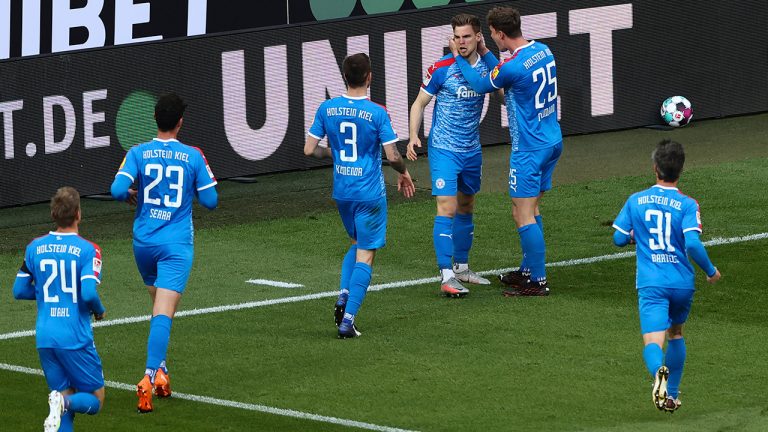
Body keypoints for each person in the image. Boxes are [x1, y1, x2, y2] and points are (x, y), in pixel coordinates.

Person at [111, 93, 218, 413]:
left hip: (143, 244)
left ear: (155, 120)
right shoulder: (193, 155)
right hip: (175, 246)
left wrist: (134, 192)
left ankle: (162, 373)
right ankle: (147, 376)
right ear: (180, 122)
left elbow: (117, 190)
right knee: (163, 313)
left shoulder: (138, 152)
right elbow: (211, 201)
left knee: (159, 307)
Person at [450, 6, 562, 296]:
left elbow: (478, 83)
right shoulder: (543, 50)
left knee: (522, 214)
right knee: (530, 208)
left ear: (500, 33)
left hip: (529, 148)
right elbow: (503, 73)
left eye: (491, 34)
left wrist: (456, 56)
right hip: (550, 141)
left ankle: (537, 280)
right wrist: (488, 52)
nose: (491, 38)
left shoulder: (512, 66)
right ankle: (527, 271)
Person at [305, 53, 415, 338]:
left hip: (342, 191)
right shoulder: (377, 112)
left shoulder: (327, 108)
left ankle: (343, 294)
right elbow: (392, 155)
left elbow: (309, 150)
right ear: (369, 77)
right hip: (369, 193)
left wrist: (337, 153)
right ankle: (348, 320)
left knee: (356, 243)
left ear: (344, 76)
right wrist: (403, 172)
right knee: (367, 253)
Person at [612, 139, 721, 412]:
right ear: (680, 170)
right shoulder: (687, 204)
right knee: (676, 333)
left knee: (653, 341)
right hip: (682, 283)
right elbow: (693, 244)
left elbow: (618, 238)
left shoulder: (636, 200)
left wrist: (635, 237)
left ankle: (658, 375)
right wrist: (710, 271)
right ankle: (671, 395)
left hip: (652, 283)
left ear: (655, 168)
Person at [407, 13, 499, 297]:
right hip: (444, 149)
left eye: (467, 36)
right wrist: (413, 135)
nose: (461, 42)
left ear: (478, 37)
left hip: (471, 150)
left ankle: (461, 267)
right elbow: (419, 103)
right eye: (457, 37)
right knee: (446, 207)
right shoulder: (441, 68)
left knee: (467, 205)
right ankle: (446, 274)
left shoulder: (487, 68)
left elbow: (505, 97)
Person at [13, 187, 106, 432]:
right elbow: (88, 293)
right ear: (78, 214)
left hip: (45, 337)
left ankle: (61, 402)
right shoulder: (88, 249)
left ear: (54, 214)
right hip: (73, 336)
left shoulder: (34, 247)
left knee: (63, 410)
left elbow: (19, 290)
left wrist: (46, 293)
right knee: (95, 400)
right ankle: (63, 401)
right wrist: (99, 310)